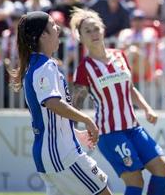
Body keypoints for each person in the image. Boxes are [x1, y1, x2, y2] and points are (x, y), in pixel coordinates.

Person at [8, 11, 111, 195]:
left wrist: (73, 133)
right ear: (42, 35)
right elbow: (52, 103)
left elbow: (49, 115)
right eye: (53, 26)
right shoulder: (45, 66)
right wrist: (86, 119)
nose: (58, 30)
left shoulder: (36, 64)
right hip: (61, 155)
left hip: (49, 155)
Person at [70, 8, 165, 195]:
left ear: (103, 30)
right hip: (109, 133)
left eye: (96, 28)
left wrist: (147, 109)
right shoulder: (84, 69)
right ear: (80, 37)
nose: (93, 34)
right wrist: (74, 131)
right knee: (135, 181)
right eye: (87, 31)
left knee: (162, 169)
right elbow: (75, 105)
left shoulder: (119, 55)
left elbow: (130, 88)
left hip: (133, 127)